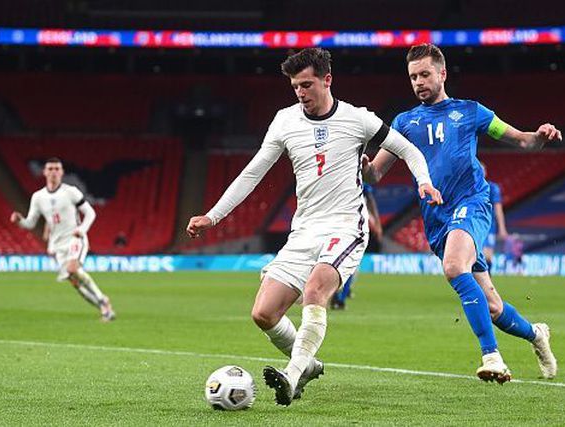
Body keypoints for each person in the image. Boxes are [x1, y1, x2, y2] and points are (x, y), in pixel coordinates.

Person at [186, 48, 442, 406]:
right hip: (304, 229)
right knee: (264, 313)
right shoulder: (285, 121)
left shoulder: (358, 119)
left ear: (327, 80)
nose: (301, 93)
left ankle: (291, 377)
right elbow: (253, 173)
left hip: (346, 226)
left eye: (306, 84)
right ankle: (307, 365)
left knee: (315, 288)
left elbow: (408, 150)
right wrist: (212, 215)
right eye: (295, 87)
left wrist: (423, 182)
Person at [364, 44, 559, 382]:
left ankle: (493, 357)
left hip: (472, 202)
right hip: (437, 219)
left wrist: (540, 136)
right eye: (413, 77)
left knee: (454, 266)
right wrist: (363, 165)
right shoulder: (404, 122)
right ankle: (536, 334)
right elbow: (376, 174)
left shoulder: (471, 112)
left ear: (442, 73)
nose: (419, 82)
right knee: (493, 306)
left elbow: (522, 141)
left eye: (425, 74)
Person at [10, 157, 115, 322]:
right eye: (50, 169)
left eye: (57, 169)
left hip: (75, 238)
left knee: (73, 269)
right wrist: (20, 221)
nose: (53, 172)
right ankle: (102, 304)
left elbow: (90, 213)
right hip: (58, 245)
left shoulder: (71, 192)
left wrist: (82, 229)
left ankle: (104, 302)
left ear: (62, 172)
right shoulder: (38, 197)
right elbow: (30, 223)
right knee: (75, 283)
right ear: (44, 172)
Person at [330, 182, 382, 310]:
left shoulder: (338, 181)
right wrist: (377, 224)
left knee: (335, 264)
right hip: (352, 228)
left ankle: (336, 294)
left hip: (335, 226)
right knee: (350, 267)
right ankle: (340, 297)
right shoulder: (362, 183)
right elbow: (371, 202)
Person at [480, 162, 508, 273]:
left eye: (482, 170)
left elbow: (498, 209)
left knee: (487, 256)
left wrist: (502, 228)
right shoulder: (469, 188)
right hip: (472, 224)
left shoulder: (492, 188)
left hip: (488, 226)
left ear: (485, 172)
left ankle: (486, 283)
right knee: (476, 256)